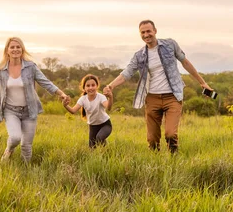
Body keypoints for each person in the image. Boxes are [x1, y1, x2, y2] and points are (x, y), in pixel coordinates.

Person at [103, 20, 213, 154]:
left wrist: (202, 82)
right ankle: (155, 163)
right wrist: (111, 86)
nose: (146, 35)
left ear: (155, 31)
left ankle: (174, 160)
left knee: (171, 134)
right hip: (152, 98)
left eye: (148, 31)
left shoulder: (170, 45)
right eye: (142, 32)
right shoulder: (139, 56)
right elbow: (126, 73)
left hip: (173, 96)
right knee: (152, 139)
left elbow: (185, 62)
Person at [0, 37, 69, 163]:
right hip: (10, 110)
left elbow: (45, 82)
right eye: (12, 47)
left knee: (26, 145)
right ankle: (9, 150)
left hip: (29, 111)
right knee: (15, 137)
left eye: (18, 47)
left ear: (22, 49)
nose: (15, 49)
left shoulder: (31, 67)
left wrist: (61, 93)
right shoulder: (1, 70)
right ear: (7, 50)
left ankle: (25, 171)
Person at [62, 74, 114, 148]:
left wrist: (110, 97)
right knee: (92, 149)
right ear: (84, 88)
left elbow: (108, 107)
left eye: (93, 85)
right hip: (93, 127)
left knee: (99, 138)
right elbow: (73, 111)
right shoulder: (83, 99)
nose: (91, 88)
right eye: (88, 85)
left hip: (105, 124)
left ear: (97, 86)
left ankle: (106, 152)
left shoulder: (101, 97)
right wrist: (65, 105)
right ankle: (104, 151)